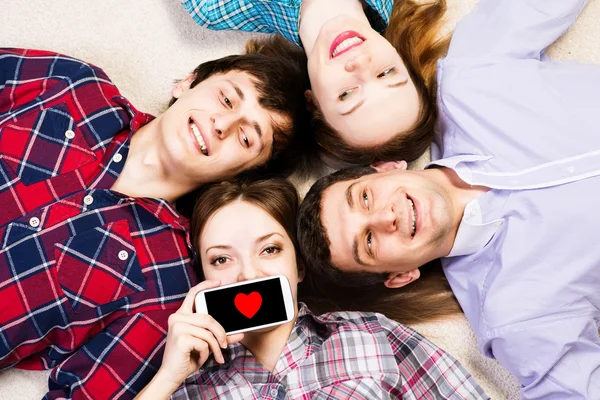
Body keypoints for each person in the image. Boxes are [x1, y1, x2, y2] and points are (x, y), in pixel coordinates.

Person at [297, 1, 600, 398]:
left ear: (387, 167)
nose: (384, 218)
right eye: (368, 242)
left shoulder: (470, 77)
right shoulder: (516, 316)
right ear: (400, 277)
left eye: (366, 198)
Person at [0, 43, 308, 399]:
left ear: (239, 176)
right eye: (226, 99)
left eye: (246, 137)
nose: (222, 124)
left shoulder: (166, 291)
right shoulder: (74, 84)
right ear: (188, 83)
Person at [134, 178, 488, 399]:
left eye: (270, 249)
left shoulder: (371, 336)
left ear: (299, 265)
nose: (248, 274)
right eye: (222, 260)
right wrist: (167, 379)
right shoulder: (188, 388)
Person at [182, 0, 449, 165]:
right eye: (386, 73)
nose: (359, 63)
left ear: (312, 102)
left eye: (346, 94)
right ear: (400, 56)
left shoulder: (213, 7)